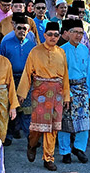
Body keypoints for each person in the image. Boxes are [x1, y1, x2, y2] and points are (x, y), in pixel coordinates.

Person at [17, 21, 69, 171]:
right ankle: (32, 144)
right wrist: (22, 93)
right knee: (37, 126)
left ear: (59, 36)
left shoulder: (61, 52)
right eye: (50, 34)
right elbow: (27, 73)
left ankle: (48, 158)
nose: (53, 37)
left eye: (56, 34)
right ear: (45, 35)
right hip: (40, 93)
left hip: (57, 94)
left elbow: (65, 75)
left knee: (53, 128)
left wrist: (67, 96)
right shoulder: (35, 51)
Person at [58, 19, 90, 164]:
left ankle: (79, 148)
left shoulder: (84, 49)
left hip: (82, 89)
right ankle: (65, 151)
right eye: (76, 32)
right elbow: (60, 74)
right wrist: (67, 93)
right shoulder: (62, 50)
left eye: (81, 33)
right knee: (65, 121)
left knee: (84, 121)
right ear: (68, 33)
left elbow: (88, 71)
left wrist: (89, 92)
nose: (78, 35)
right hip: (67, 89)